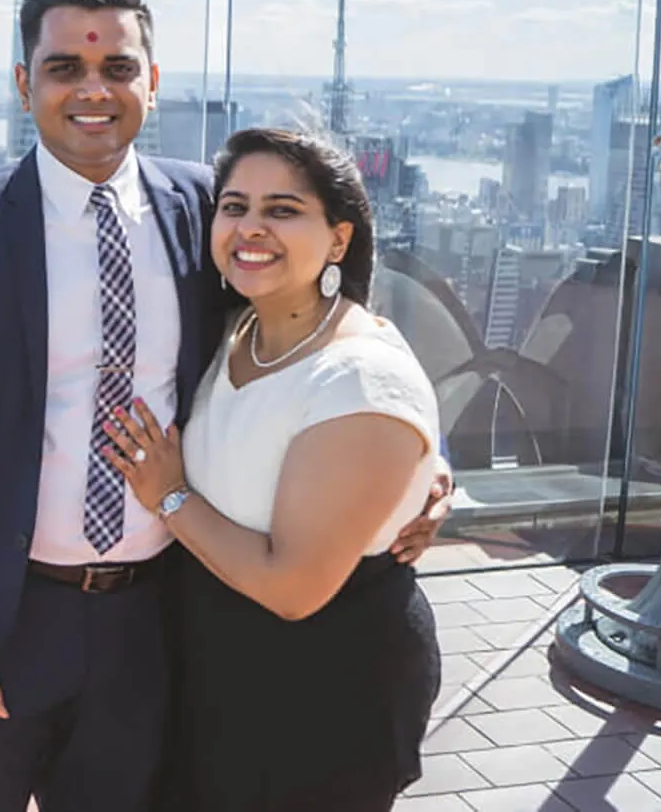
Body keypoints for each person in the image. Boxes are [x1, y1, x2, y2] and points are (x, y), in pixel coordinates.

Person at [0, 0, 451, 812]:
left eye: (118, 68)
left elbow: (320, 341)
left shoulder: (207, 210)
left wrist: (420, 471)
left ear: (153, 82)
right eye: (64, 68)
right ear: (25, 84)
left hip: (156, 622)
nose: (93, 90)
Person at [107, 127, 443, 811]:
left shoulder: (359, 375)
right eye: (235, 207)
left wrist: (169, 496)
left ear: (339, 239)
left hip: (323, 687)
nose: (251, 228)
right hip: (219, 670)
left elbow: (293, 588)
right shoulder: (237, 328)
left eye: (283, 210)